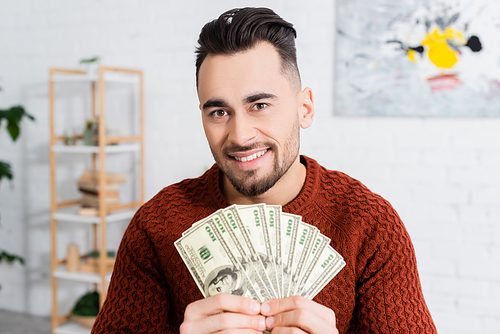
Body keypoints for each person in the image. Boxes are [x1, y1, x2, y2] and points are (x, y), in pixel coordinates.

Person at [91, 7, 437, 334]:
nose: (240, 135)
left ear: (305, 109)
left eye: (259, 105)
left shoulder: (369, 223)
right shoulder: (157, 225)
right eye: (219, 112)